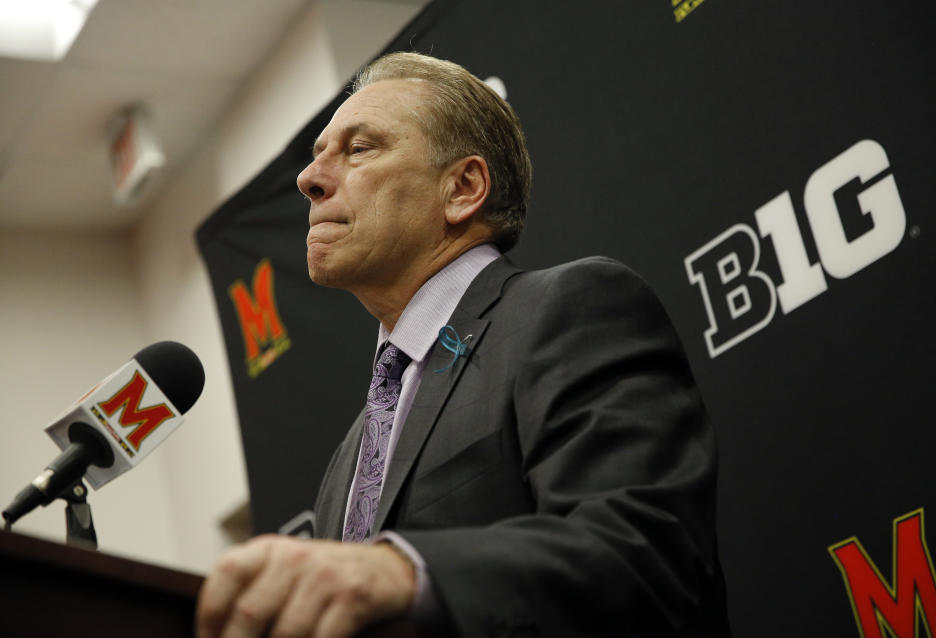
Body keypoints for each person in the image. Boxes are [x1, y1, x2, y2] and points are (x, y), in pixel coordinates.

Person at [196, 52, 729, 638]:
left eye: (359, 148)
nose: (309, 178)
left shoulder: (569, 310)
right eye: (318, 154)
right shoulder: (347, 460)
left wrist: (403, 573)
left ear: (463, 188)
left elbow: (646, 554)